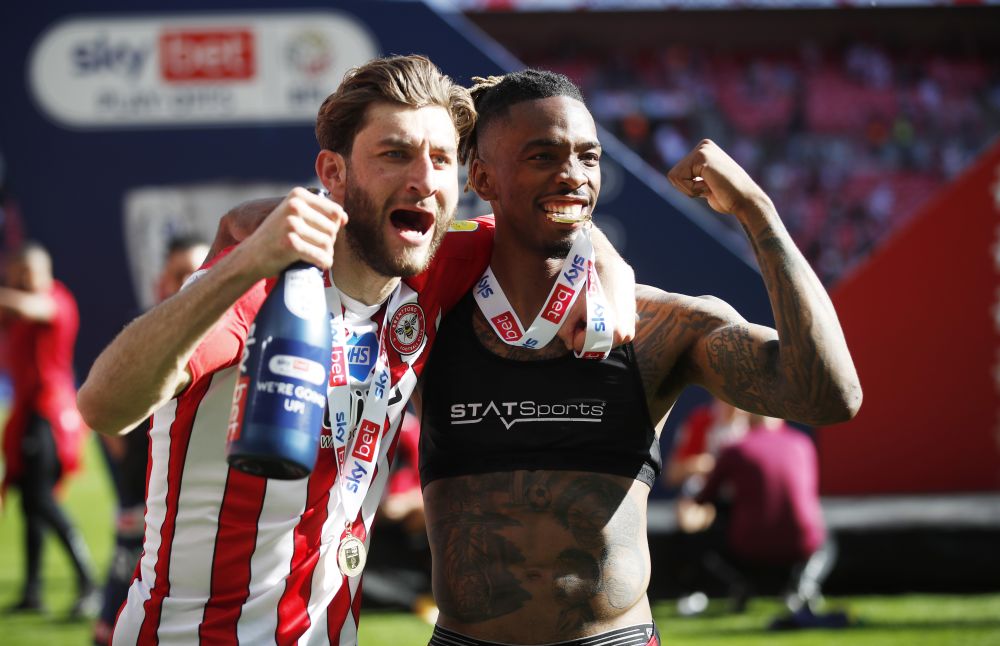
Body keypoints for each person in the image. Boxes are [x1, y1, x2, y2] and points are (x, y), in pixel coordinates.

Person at [78, 55, 633, 645]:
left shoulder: (431, 263)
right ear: (333, 173)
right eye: (395, 154)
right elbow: (105, 406)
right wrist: (237, 265)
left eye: (441, 159)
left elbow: (560, 220)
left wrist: (610, 279)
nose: (423, 178)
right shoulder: (262, 283)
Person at [416, 69, 861, 646]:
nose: (572, 176)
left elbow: (828, 397)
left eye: (588, 156)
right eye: (542, 156)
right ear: (482, 176)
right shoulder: (426, 321)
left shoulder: (658, 326)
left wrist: (758, 212)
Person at [91, 235, 209, 646]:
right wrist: (128, 486)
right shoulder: (142, 335)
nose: (186, 284)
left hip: (194, 513)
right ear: (161, 283)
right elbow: (102, 410)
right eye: (179, 275)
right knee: (124, 585)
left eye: (196, 274)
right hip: (144, 496)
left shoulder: (230, 336)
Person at [0, 241, 97, 618]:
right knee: (30, 502)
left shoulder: (56, 300)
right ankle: (32, 591)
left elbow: (30, 306)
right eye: (17, 273)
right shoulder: (19, 308)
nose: (23, 280)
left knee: (41, 499)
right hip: (29, 414)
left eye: (28, 273)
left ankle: (87, 580)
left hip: (50, 416)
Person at [679, 414, 839, 626]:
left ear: (748, 421)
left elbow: (705, 497)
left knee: (697, 538)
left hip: (748, 545)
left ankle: (739, 585)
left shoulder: (736, 449)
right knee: (825, 540)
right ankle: (804, 586)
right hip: (802, 542)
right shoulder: (803, 443)